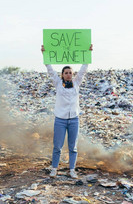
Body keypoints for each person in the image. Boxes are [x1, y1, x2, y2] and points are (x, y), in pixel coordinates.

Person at [41, 44, 93, 179]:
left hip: (74, 119)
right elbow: (50, 70)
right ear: (62, 75)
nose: (69, 75)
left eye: (70, 72)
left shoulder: (76, 83)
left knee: (73, 147)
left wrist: (88, 53)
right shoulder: (58, 83)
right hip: (60, 119)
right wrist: (44, 54)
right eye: (66, 73)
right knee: (57, 146)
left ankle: (72, 170)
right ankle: (54, 169)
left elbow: (83, 69)